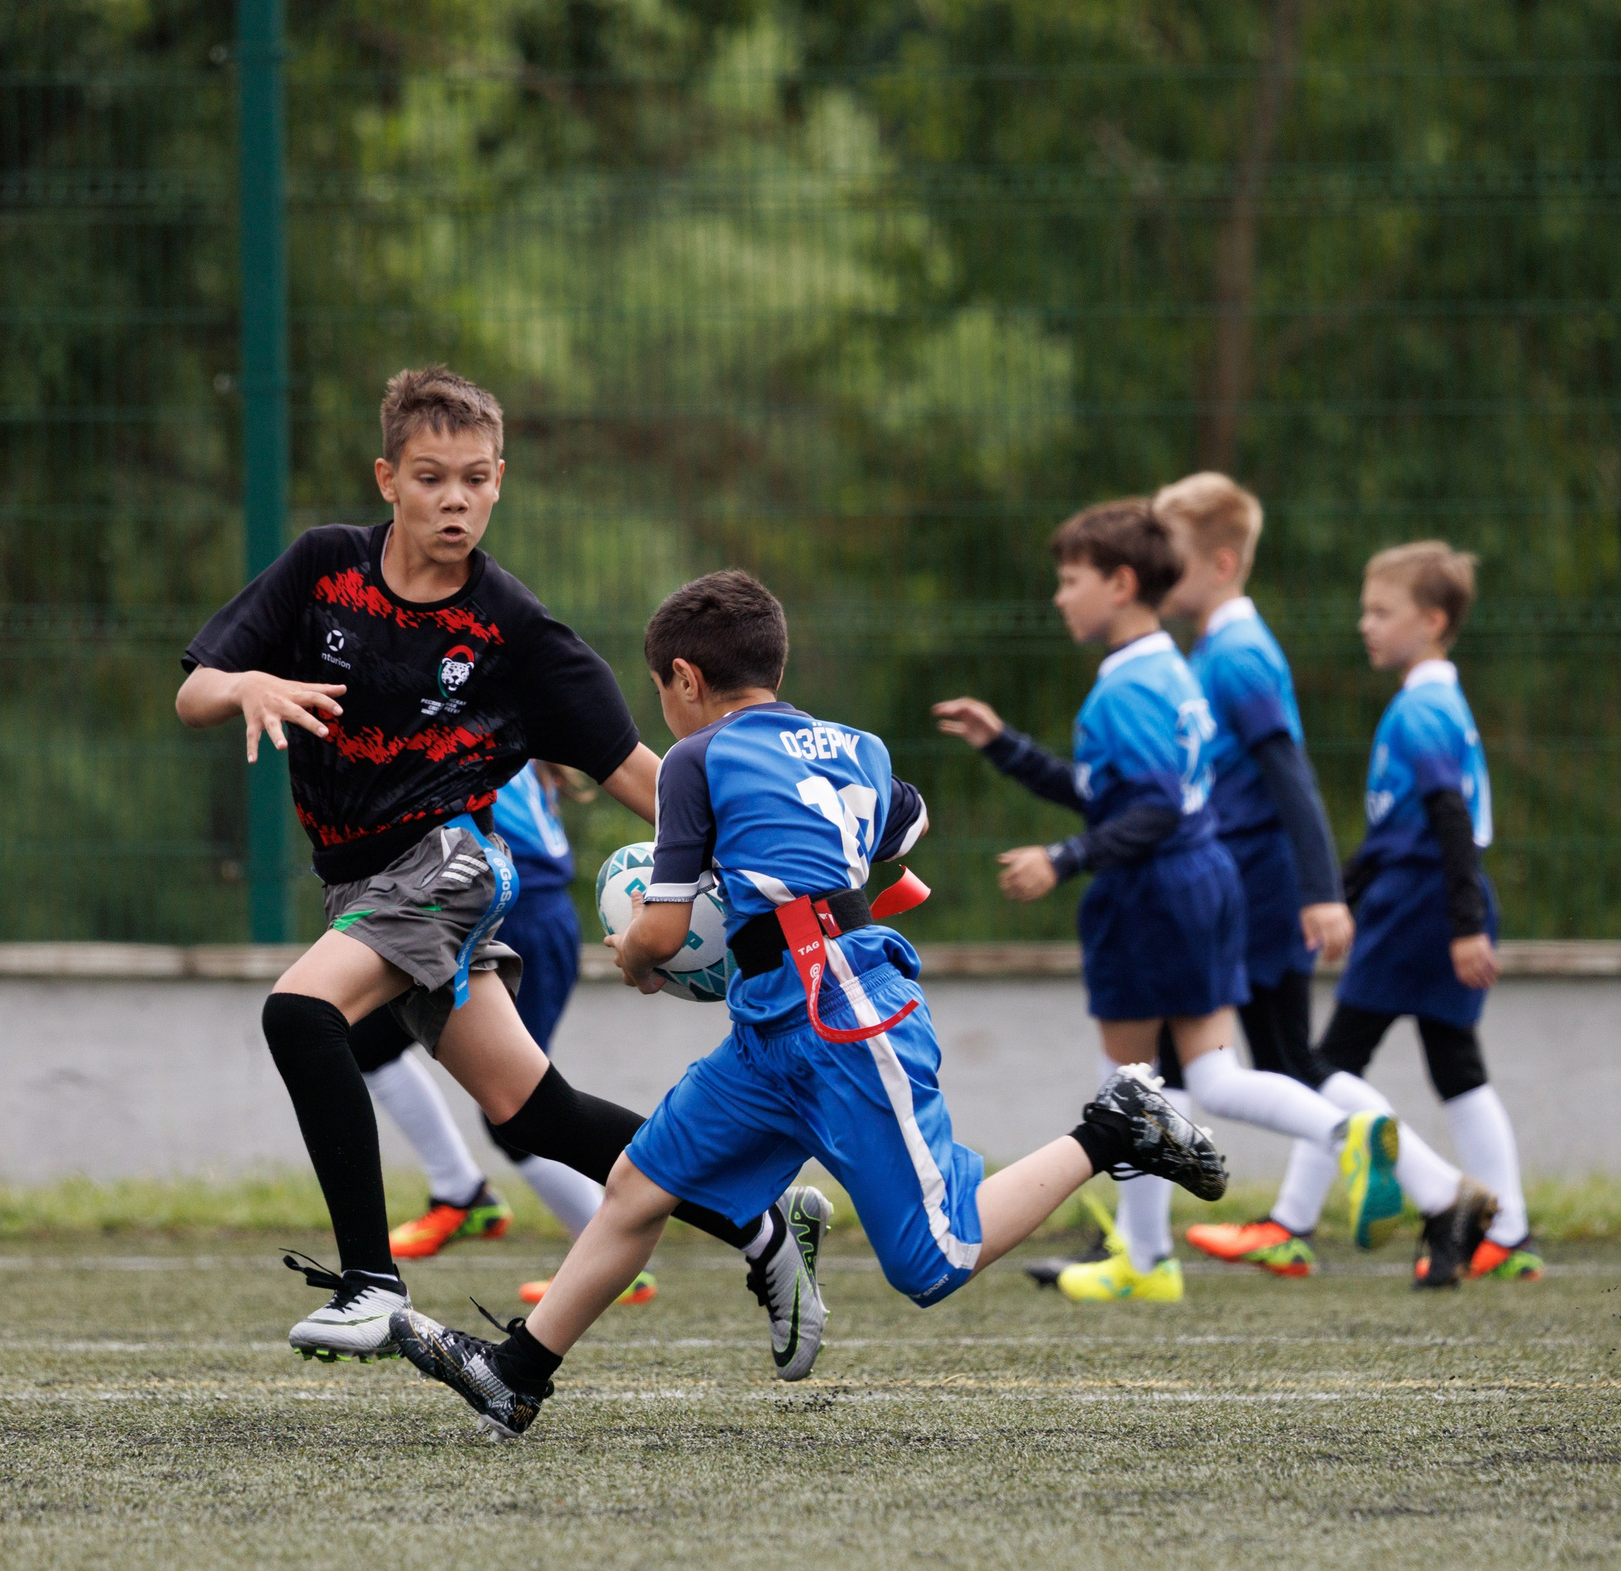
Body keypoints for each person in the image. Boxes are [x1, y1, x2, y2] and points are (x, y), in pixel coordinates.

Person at [390, 571, 1229, 1438]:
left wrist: (634, 952)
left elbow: (666, 930)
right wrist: (839, 875)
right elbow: (910, 824)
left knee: (933, 1262)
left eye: (661, 693)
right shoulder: (856, 745)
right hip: (774, 1015)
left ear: (683, 678)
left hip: (844, 1015)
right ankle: (516, 1374)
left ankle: (1113, 1128)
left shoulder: (694, 758)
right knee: (640, 1182)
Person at [175, 366, 803, 1368]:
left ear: (499, 481)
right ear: (388, 478)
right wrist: (245, 680)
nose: (454, 498)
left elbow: (647, 776)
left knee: (298, 1012)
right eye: (430, 477)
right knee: (534, 1109)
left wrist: (789, 849)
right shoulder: (320, 570)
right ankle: (757, 1219)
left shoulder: (517, 632)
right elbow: (198, 691)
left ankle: (372, 1284)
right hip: (360, 880)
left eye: (474, 477)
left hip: (446, 866)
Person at [933, 501, 1501, 1300]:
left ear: (1122, 584)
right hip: (1205, 882)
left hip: (1154, 896)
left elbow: (1154, 807)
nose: (1058, 597)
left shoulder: (1164, 676)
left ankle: (1147, 1256)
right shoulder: (1171, 665)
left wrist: (1064, 859)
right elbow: (1117, 793)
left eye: (1070, 581)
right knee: (1210, 1073)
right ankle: (1339, 1138)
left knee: (1129, 1082)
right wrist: (1007, 748)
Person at [1150, 478, 1508, 1287]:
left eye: (1166, 554)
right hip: (1234, 884)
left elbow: (1292, 779)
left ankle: (1171, 1247)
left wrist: (1320, 891)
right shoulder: (1211, 647)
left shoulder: (1239, 655)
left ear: (1219, 561)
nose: (1152, 569)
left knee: (1240, 1064)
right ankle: (1434, 1196)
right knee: (1258, 1063)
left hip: (1258, 889)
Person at [371, 761, 653, 1304]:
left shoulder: (457, 715)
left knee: (519, 1109)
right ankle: (460, 1194)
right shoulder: (493, 726)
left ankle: (615, 1257)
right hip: (496, 908)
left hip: (512, 913)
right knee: (368, 1044)